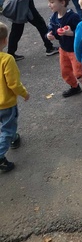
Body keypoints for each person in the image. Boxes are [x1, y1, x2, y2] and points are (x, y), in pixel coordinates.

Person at [0, 22, 29, 172]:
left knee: (4, 126)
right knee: (7, 128)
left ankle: (13, 137)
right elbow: (13, 83)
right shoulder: (7, 59)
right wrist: (24, 93)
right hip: (5, 103)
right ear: (5, 41)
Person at [46, 0, 82, 98]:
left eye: (52, 2)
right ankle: (74, 87)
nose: (49, 5)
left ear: (62, 2)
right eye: (49, 2)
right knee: (65, 72)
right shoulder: (54, 16)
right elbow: (52, 28)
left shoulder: (73, 17)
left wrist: (71, 33)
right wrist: (50, 34)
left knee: (79, 73)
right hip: (63, 50)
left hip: (74, 50)